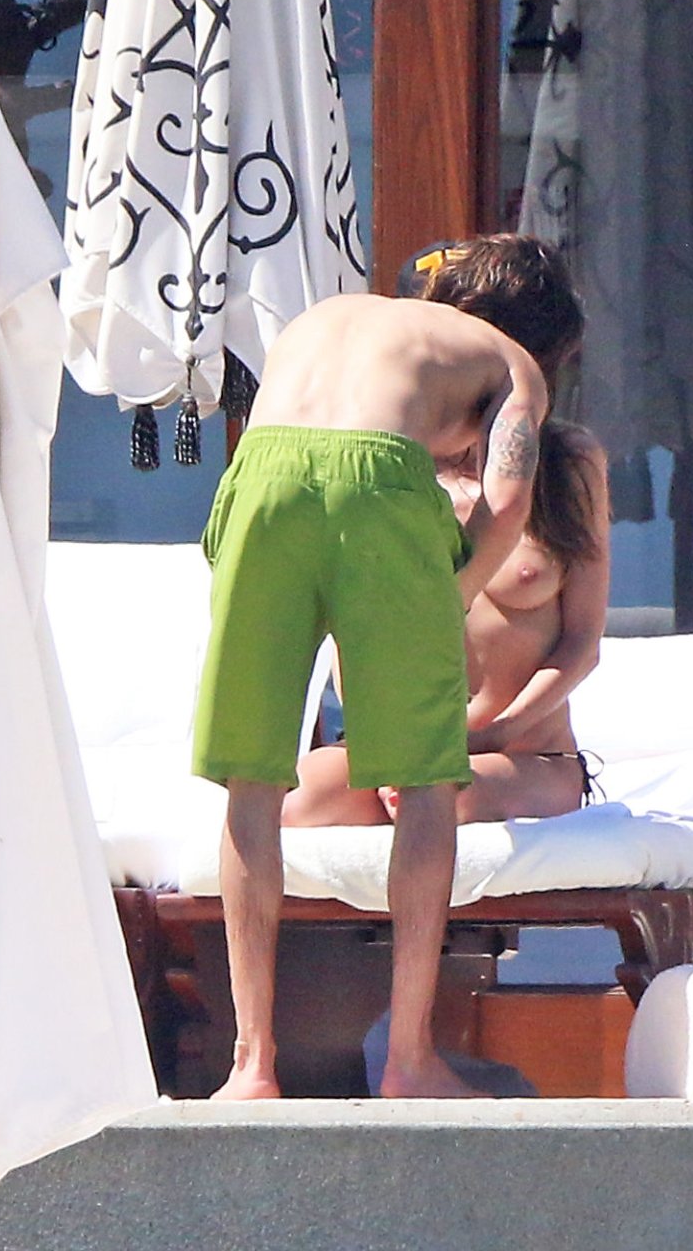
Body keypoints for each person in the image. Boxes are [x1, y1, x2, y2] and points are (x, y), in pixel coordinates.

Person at [191, 234, 582, 1099]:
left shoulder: (326, 318)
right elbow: (509, 499)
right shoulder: (512, 363)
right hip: (378, 482)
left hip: (257, 475)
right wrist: (449, 594)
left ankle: (250, 1067)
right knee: (426, 783)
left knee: (253, 785)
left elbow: (275, 464)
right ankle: (410, 1060)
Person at [281, 416, 609, 831]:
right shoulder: (391, 463)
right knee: (296, 803)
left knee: (438, 800)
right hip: (402, 745)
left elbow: (583, 643)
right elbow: (352, 633)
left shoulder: (566, 460)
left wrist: (495, 734)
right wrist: (383, 741)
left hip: (525, 753)